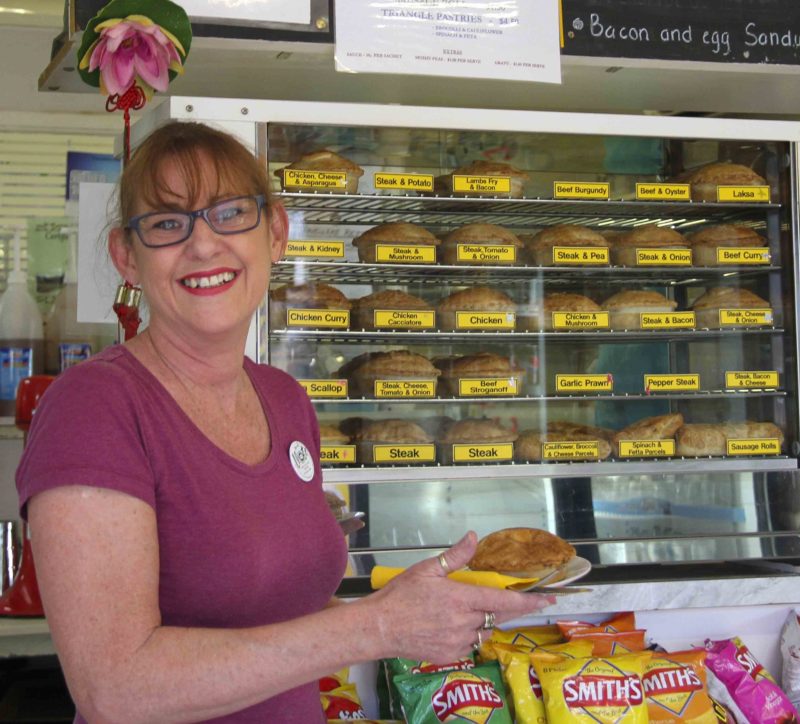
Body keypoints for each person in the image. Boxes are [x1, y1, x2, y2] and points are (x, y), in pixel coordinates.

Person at [15, 121, 553, 723]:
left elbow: (278, 624)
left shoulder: (283, 399)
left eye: (230, 213)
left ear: (274, 233)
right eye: (167, 223)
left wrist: (405, 608)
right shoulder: (95, 407)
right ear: (127, 258)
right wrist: (375, 626)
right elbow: (115, 689)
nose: (202, 245)